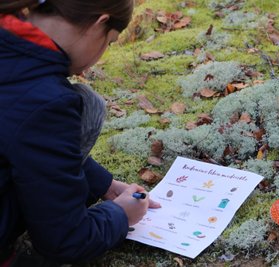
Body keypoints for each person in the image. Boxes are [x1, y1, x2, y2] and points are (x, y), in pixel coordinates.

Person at [0, 0, 161, 266]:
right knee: (89, 104)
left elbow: (20, 137)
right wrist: (121, 214)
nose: (100, 56)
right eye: (109, 42)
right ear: (100, 23)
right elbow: (67, 241)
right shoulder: (47, 101)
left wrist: (103, 184)